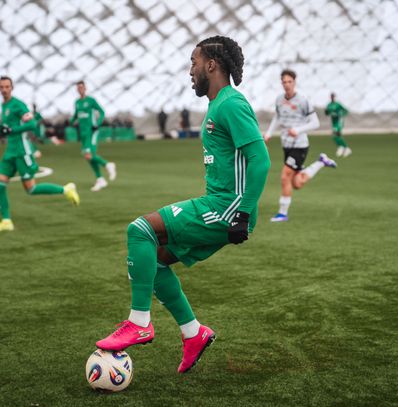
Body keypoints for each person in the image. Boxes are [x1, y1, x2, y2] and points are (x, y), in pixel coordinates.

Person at [95, 36, 271, 373]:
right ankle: (194, 333)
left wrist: (243, 212)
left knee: (140, 229)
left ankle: (139, 322)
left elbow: (260, 160)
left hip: (228, 207)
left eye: (194, 62)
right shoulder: (217, 105)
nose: (190, 71)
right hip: (221, 204)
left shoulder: (231, 104)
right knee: (155, 262)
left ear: (211, 65)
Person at [0, 76, 80, 232]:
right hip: (10, 151)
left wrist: (12, 130)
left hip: (22, 151)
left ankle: (66, 190)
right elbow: (5, 125)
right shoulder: (4, 105)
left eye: (7, 87)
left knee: (31, 189)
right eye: (1, 87)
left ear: (12, 88)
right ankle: (6, 221)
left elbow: (31, 124)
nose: (4, 90)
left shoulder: (18, 105)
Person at [264, 69, 337, 223]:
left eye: (289, 81)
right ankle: (321, 162)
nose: (287, 84)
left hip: (300, 145)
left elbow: (315, 123)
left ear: (294, 82)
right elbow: (277, 117)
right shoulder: (279, 99)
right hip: (286, 144)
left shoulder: (303, 100)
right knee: (297, 183)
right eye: (284, 82)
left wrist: (298, 130)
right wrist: (269, 133)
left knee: (285, 176)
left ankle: (282, 213)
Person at [72, 80, 116, 191]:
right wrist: (71, 121)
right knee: (88, 157)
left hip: (91, 131)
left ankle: (107, 164)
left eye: (82, 87)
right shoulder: (77, 102)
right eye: (78, 88)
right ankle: (100, 179)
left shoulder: (91, 100)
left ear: (85, 88)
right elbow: (76, 115)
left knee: (89, 155)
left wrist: (98, 123)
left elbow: (101, 111)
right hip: (83, 133)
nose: (80, 89)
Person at [325, 93, 351, 157]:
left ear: (335, 97)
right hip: (333, 122)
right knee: (336, 135)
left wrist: (341, 114)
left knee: (336, 134)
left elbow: (346, 111)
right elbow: (327, 113)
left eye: (333, 96)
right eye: (331, 96)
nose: (332, 98)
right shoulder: (329, 105)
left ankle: (345, 148)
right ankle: (342, 147)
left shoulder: (338, 104)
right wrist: (326, 112)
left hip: (339, 121)